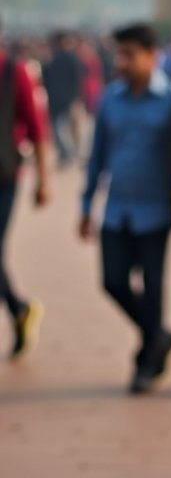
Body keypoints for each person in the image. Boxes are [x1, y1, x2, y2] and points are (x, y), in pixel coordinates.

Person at [80, 22, 171, 391]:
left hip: (156, 210)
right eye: (119, 54)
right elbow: (97, 155)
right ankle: (159, 336)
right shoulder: (110, 98)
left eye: (129, 54)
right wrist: (86, 202)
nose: (120, 61)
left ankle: (147, 362)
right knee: (113, 282)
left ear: (152, 55)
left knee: (153, 286)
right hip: (117, 208)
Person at [0, 20, 49, 356]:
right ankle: (19, 309)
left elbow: (37, 128)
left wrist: (44, 181)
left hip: (4, 176)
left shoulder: (14, 72)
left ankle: (19, 309)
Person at [42, 31, 84, 166]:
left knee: (60, 129)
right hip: (67, 99)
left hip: (59, 100)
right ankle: (68, 154)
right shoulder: (70, 58)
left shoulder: (53, 60)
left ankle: (67, 154)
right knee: (64, 129)